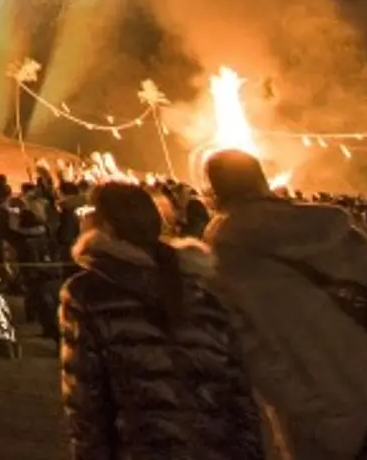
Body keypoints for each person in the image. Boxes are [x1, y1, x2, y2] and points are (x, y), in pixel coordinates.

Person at [201, 149, 367, 460]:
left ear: (214, 192)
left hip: (329, 428)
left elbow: (262, 362)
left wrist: (337, 429)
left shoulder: (222, 262)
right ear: (261, 179)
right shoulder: (328, 229)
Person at [56, 181, 265, 460]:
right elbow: (238, 394)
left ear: (104, 226)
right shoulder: (200, 288)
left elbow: (86, 402)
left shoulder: (91, 293)